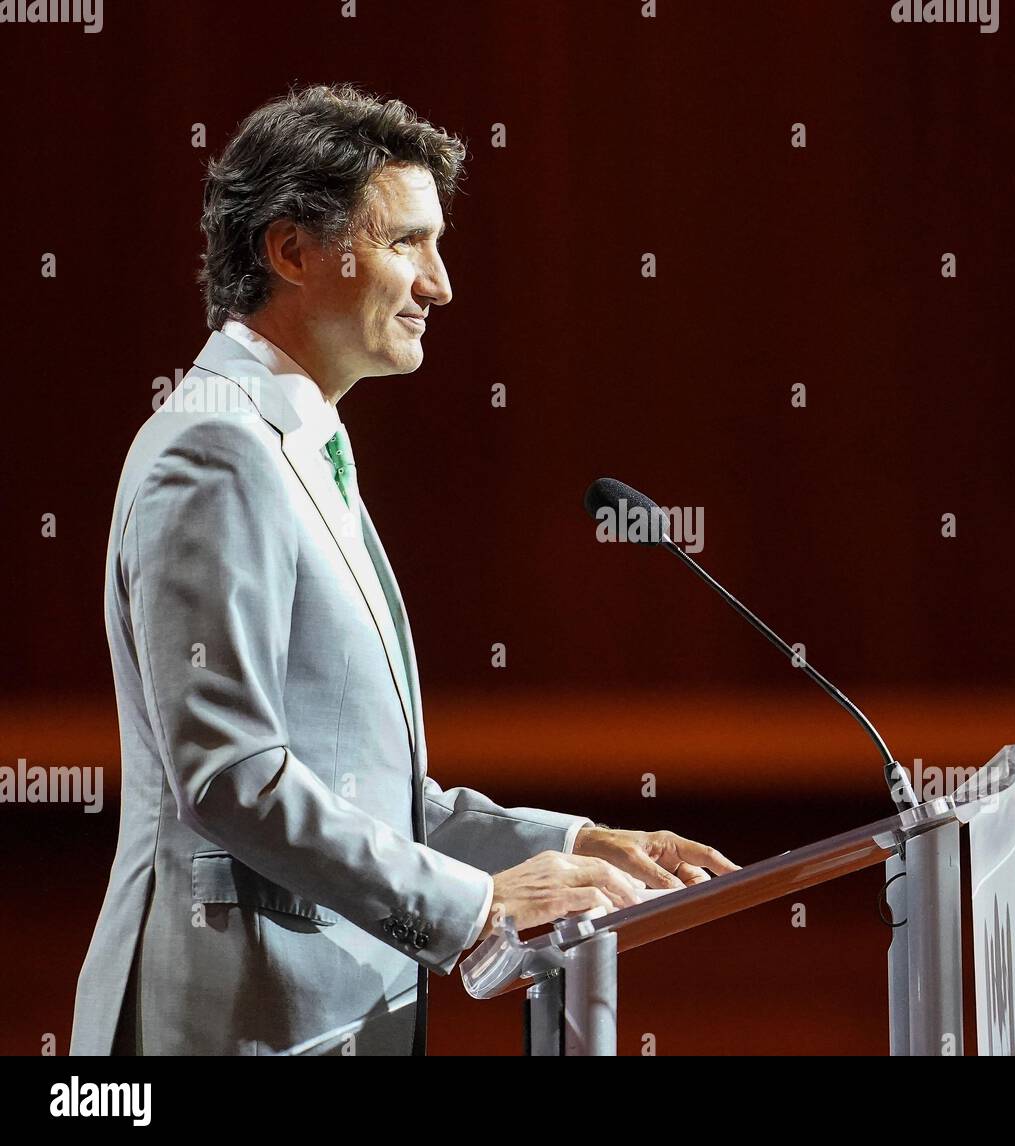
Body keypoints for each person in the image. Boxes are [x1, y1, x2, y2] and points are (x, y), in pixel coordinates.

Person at [70, 83, 738, 1056]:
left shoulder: (294, 442)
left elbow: (358, 786)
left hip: (333, 1018)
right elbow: (230, 777)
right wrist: (472, 907)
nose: (440, 284)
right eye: (404, 244)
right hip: (234, 1026)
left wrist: (565, 846)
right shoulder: (212, 451)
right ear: (292, 251)